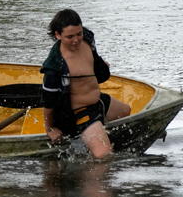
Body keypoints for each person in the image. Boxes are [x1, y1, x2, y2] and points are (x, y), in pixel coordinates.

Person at [41, 9, 131, 159]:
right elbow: (48, 103)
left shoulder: (88, 38)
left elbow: (93, 60)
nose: (76, 40)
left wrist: (100, 65)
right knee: (105, 157)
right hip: (81, 113)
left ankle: (96, 142)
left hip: (98, 100)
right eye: (70, 37)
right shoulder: (55, 66)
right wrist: (50, 129)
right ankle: (93, 153)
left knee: (126, 111)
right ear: (58, 35)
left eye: (79, 34)